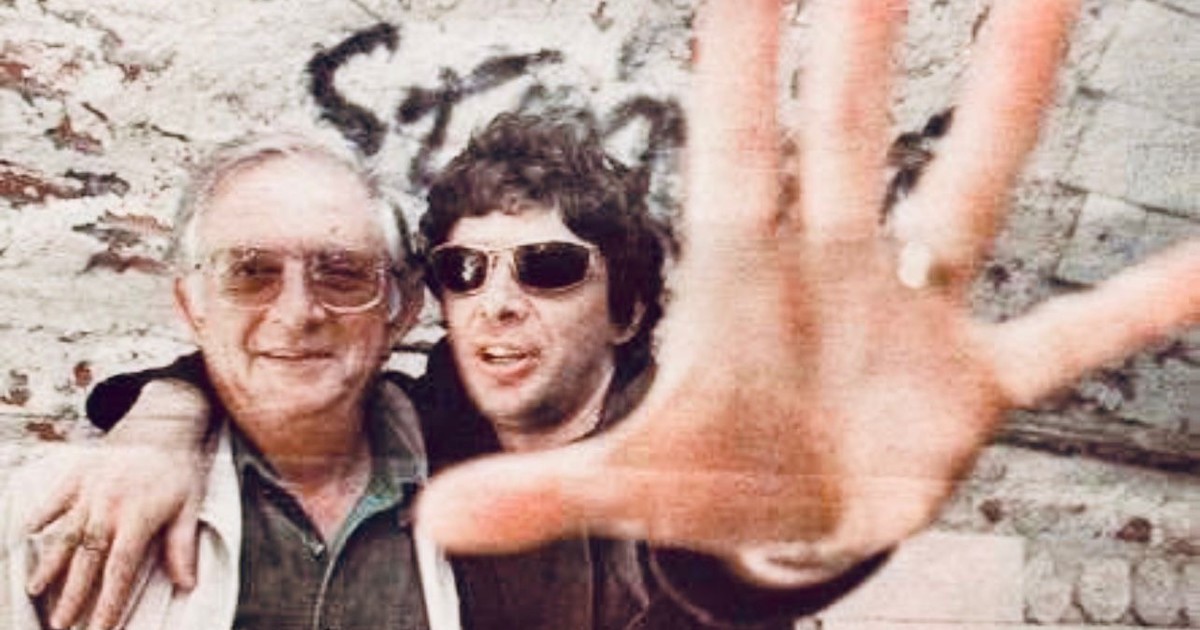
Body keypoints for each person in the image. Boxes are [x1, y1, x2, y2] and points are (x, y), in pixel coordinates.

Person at [18, 0, 1200, 626]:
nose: (495, 305)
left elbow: (709, 575)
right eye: (462, 273)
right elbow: (282, 356)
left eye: (545, 269)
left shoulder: (708, 442)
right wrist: (162, 416)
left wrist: (788, 547)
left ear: (629, 308)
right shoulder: (419, 425)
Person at [1, 131, 459, 629]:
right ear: (190, 306)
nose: (297, 312)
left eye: (343, 273)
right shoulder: (57, 517)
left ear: (401, 311)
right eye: (251, 273)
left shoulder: (472, 481)